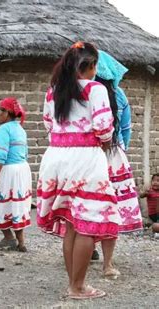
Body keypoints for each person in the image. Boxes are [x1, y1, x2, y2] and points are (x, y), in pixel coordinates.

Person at [36, 42, 121, 299]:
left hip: (56, 158)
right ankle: (78, 287)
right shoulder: (96, 89)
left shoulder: (54, 90)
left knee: (71, 223)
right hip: (86, 158)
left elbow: (48, 124)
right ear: (91, 66)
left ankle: (73, 284)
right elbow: (104, 127)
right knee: (87, 223)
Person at [92, 50, 142, 278]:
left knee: (86, 204)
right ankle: (108, 264)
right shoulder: (119, 95)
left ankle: (87, 248)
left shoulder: (84, 92)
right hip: (114, 156)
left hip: (88, 155)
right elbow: (126, 131)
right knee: (112, 208)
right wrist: (120, 150)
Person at [0, 97, 32, 252]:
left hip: (7, 170)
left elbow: (1, 155)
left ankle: (9, 238)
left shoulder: (4, 129)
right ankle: (21, 242)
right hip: (22, 170)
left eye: (0, 110)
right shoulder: (20, 129)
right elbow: (26, 152)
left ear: (7, 113)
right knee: (16, 205)